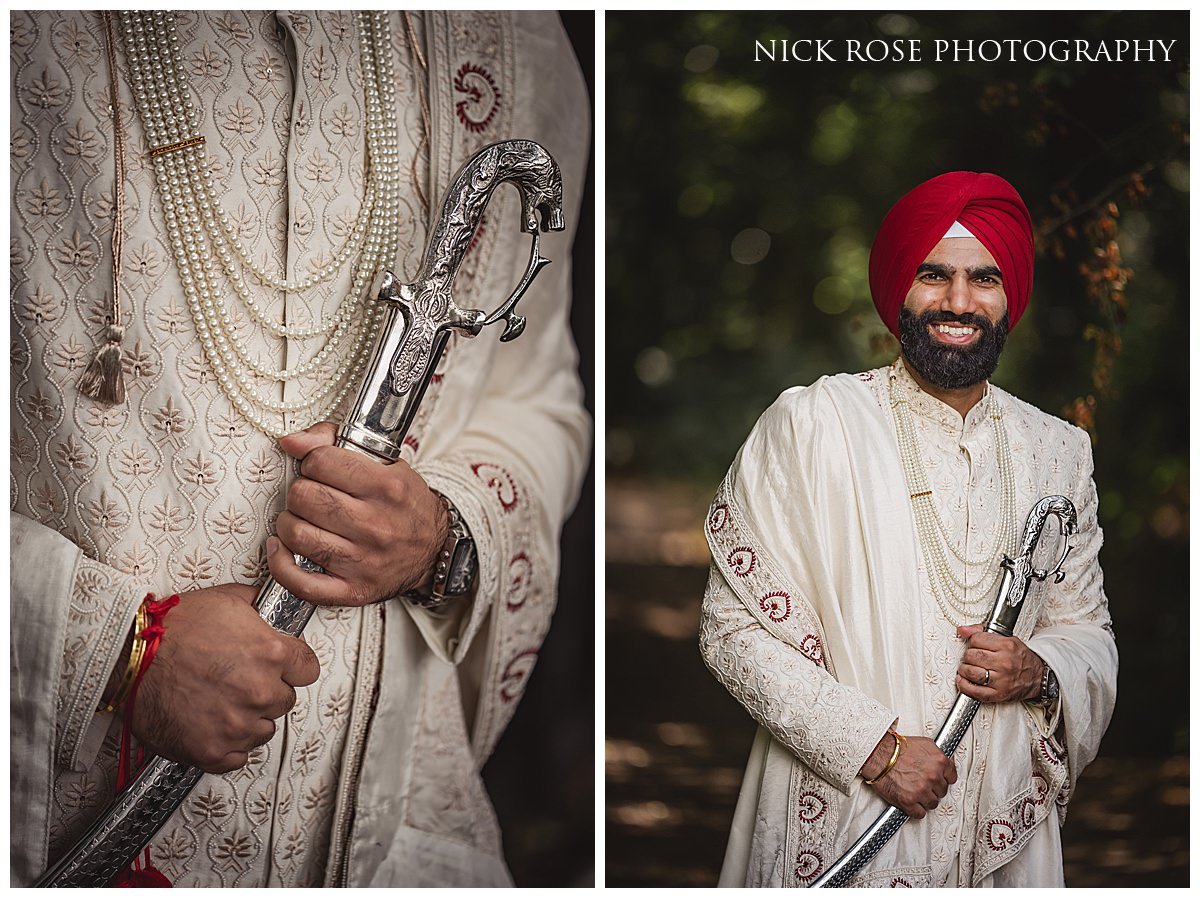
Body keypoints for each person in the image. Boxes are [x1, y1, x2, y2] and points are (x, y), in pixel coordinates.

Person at [11, 10, 590, 887]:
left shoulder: (514, 37)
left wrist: (442, 534)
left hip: (392, 823)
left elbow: (535, 390)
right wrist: (110, 643)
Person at [699, 171, 1117, 887]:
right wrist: (877, 751)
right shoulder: (812, 425)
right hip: (841, 816)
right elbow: (731, 630)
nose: (959, 302)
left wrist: (1041, 671)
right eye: (935, 275)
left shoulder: (1058, 450)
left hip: (1003, 837)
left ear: (1010, 294)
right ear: (900, 287)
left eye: (984, 278)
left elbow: (1089, 632)